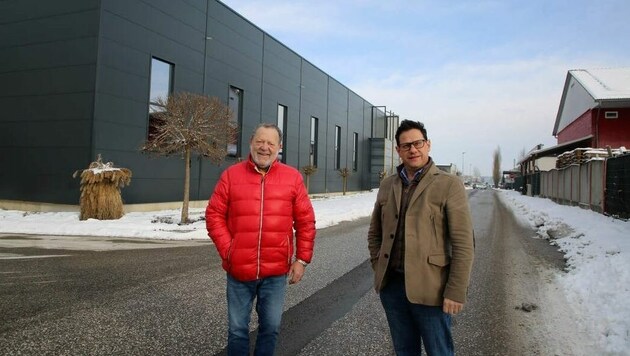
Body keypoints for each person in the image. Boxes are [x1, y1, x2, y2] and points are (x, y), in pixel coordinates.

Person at [206, 123, 316, 356]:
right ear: (251, 143)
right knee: (237, 330)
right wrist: (229, 250)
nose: (264, 147)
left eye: (270, 143)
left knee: (271, 327)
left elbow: (306, 221)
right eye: (260, 141)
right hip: (239, 272)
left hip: (275, 272)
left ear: (279, 147)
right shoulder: (230, 176)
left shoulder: (293, 178)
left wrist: (302, 259)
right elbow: (214, 215)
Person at [367, 120, 475, 355]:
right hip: (393, 288)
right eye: (406, 146)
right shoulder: (388, 185)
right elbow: (375, 232)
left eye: (418, 143)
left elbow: (464, 244)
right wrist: (378, 266)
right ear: (398, 151)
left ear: (428, 145)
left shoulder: (449, 185)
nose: (412, 150)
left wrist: (455, 291)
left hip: (432, 291)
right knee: (404, 351)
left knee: (439, 351)